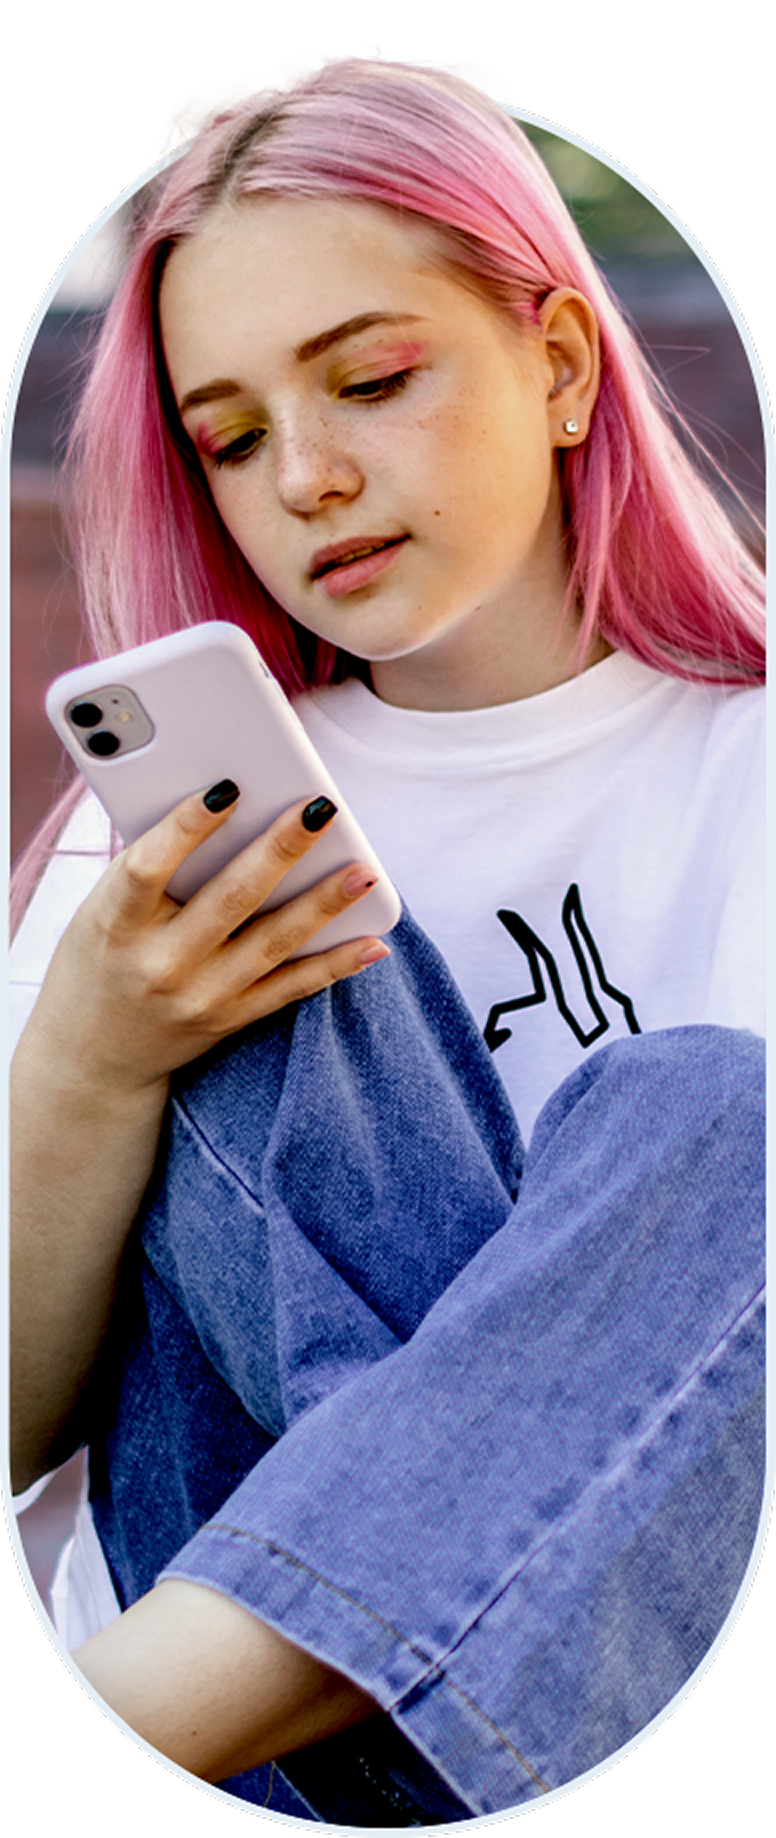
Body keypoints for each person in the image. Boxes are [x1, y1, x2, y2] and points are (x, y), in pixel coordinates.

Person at [9, 57, 766, 1823]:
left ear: (564, 366)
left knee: (718, 1127)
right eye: (236, 437)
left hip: (610, 1687)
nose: (312, 478)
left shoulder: (752, 765)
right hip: (259, 1743)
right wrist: (91, 1062)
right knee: (259, 979)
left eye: (371, 379)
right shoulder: (179, 836)